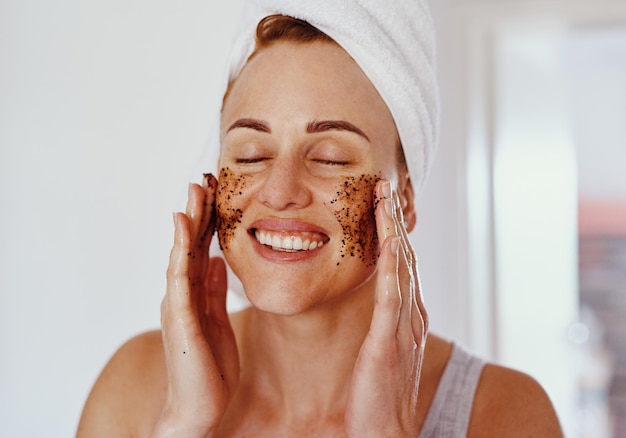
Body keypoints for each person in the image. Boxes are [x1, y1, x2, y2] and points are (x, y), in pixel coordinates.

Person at [77, 1, 564, 436]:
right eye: (250, 154)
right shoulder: (133, 391)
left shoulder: (507, 415)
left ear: (406, 199)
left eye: (331, 157)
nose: (280, 191)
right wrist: (183, 427)